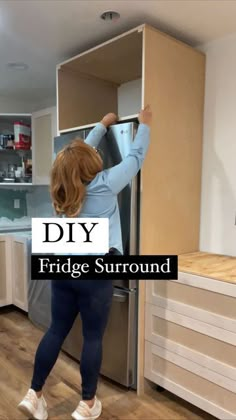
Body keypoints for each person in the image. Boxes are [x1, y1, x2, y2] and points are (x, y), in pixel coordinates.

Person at [18, 106, 152, 420]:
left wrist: (101, 126)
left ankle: (34, 393)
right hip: (95, 271)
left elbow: (75, 157)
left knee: (56, 331)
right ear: (90, 165)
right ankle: (88, 404)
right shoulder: (104, 183)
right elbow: (135, 158)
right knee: (92, 337)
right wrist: (144, 126)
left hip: (62, 267)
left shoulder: (62, 183)